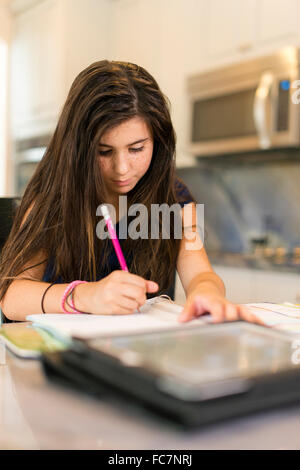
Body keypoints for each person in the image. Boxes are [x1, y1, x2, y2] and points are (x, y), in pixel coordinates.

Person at [0, 60, 259, 324]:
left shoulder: (174, 200)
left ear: (158, 142)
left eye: (136, 149)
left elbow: (201, 275)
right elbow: (12, 297)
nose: (122, 169)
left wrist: (207, 292)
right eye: (104, 151)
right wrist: (85, 296)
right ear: (77, 149)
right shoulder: (52, 200)